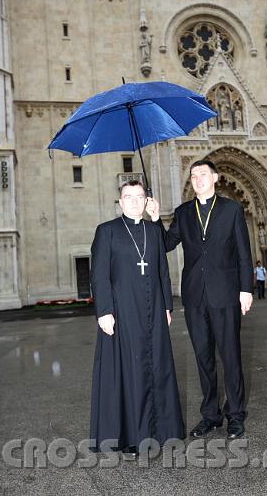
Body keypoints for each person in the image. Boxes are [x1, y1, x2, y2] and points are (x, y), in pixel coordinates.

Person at [146, 160, 253, 440]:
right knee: (203, 358)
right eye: (193, 176)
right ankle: (210, 415)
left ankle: (236, 415)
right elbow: (166, 245)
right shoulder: (183, 213)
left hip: (226, 293)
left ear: (215, 177)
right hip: (195, 296)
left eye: (203, 174)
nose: (198, 179)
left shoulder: (231, 210)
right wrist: (156, 219)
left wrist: (246, 289)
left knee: (230, 357)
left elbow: (243, 252)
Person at [89, 180, 185, 456]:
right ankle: (132, 437)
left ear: (147, 201)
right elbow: (99, 275)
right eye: (127, 197)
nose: (133, 201)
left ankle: (163, 431)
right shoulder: (106, 231)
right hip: (122, 311)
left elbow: (162, 272)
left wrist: (167, 305)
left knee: (158, 368)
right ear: (119, 202)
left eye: (139, 196)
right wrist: (104, 311)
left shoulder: (153, 232)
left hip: (154, 309)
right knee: (130, 371)